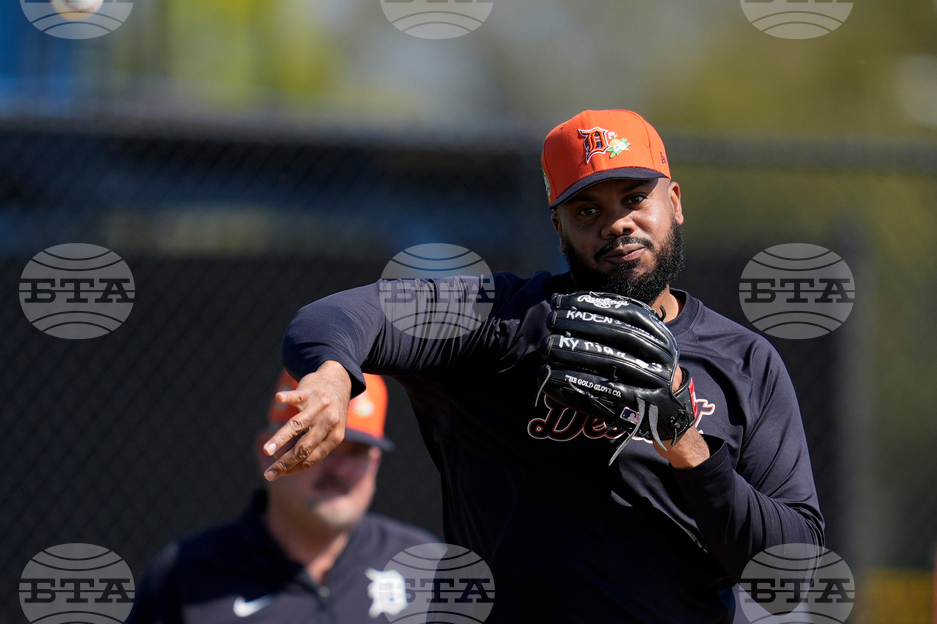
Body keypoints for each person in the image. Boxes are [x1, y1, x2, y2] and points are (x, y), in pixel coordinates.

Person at [265, 109, 825, 623]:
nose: (617, 224)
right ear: (558, 227)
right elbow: (339, 315)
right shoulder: (503, 322)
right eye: (588, 210)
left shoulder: (745, 361)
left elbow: (788, 574)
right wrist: (333, 373)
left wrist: (688, 448)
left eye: (634, 198)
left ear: (673, 202)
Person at [129, 371, 438, 624]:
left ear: (375, 463)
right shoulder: (186, 574)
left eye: (355, 451)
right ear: (269, 450)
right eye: (316, 443)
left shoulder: (423, 564)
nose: (338, 467)